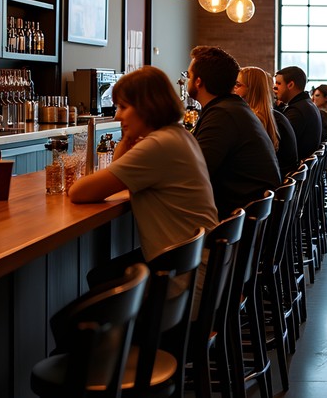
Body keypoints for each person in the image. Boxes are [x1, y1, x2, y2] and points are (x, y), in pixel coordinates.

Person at [68, 65, 220, 262]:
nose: (117, 115)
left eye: (123, 107)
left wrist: (125, 141)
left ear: (147, 106)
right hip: (201, 264)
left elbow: (78, 192)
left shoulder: (157, 145)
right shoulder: (178, 135)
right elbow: (119, 174)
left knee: (102, 279)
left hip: (183, 277)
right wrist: (126, 140)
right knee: (103, 275)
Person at [185, 47, 282, 215]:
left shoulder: (223, 115)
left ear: (198, 82)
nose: (187, 81)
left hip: (236, 225)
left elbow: (195, 174)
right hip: (250, 218)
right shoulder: (233, 108)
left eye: (188, 76)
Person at [238, 65, 299, 176]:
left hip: (272, 186)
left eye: (238, 85)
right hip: (279, 181)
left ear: (252, 89)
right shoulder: (272, 116)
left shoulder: (256, 120)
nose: (233, 90)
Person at [275, 65, 323, 159]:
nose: (275, 88)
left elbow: (279, 143)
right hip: (303, 167)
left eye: (278, 83)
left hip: (294, 169)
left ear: (290, 85)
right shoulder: (306, 104)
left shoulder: (297, 111)